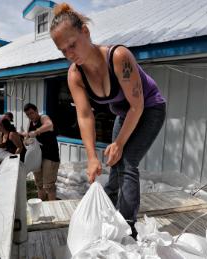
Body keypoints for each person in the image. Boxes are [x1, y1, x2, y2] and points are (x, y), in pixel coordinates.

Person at [50, 3, 166, 239]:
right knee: (114, 166)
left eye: (72, 44)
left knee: (128, 163)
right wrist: (92, 157)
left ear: (85, 31)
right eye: (64, 51)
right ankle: (109, 216)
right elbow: (84, 115)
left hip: (150, 108)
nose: (70, 53)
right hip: (125, 114)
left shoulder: (119, 57)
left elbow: (138, 105)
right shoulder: (75, 74)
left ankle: (128, 229)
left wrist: (120, 143)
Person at [24, 103, 60, 201]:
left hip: (50, 156)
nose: (30, 116)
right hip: (37, 158)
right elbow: (26, 139)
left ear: (36, 111)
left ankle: (52, 208)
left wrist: (36, 132)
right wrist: (28, 141)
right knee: (39, 184)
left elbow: (49, 125)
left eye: (32, 113)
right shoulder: (30, 123)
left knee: (49, 186)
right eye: (28, 115)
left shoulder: (43, 118)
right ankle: (41, 205)